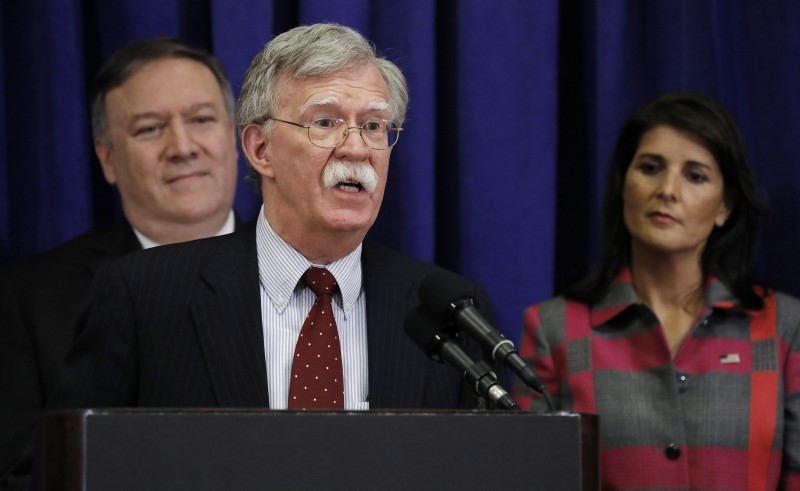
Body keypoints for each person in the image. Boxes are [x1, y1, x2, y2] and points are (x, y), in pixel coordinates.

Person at [46, 23, 493, 415]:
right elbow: (69, 465)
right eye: (325, 122)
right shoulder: (142, 297)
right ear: (261, 149)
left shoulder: (448, 314)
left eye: (374, 126)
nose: (357, 149)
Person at [514, 91, 800, 489]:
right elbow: (532, 478)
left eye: (695, 175)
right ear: (624, 185)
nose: (667, 189)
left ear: (725, 207)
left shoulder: (785, 326)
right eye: (650, 167)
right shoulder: (554, 328)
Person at [0, 37, 240, 486]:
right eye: (150, 128)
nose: (183, 146)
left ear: (235, 137)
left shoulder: (310, 276)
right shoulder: (28, 300)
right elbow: (19, 476)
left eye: (202, 119)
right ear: (107, 158)